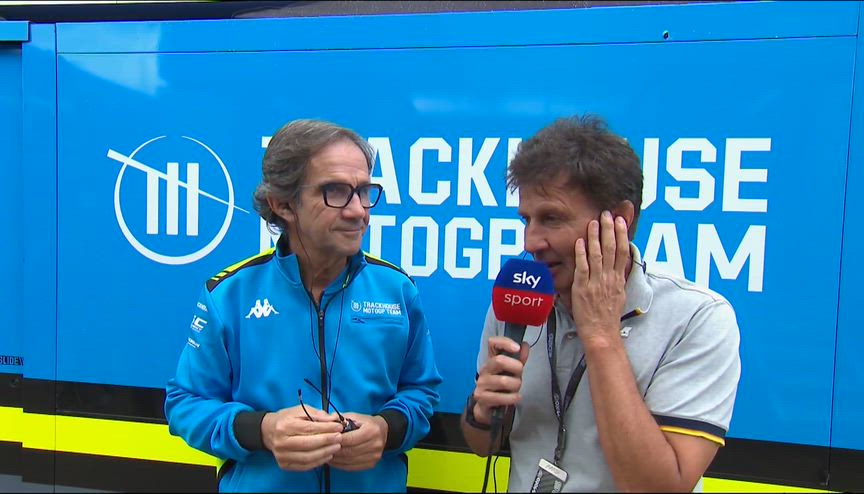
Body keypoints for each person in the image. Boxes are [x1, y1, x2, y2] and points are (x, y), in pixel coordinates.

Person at [461, 115, 741, 492]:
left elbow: (658, 488)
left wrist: (602, 336)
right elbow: (482, 444)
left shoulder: (697, 319)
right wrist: (482, 413)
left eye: (552, 218)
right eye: (526, 219)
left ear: (619, 221)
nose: (531, 242)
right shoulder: (519, 299)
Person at [165, 119, 442, 493]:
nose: (358, 211)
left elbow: (422, 393)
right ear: (282, 204)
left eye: (364, 191)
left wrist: (385, 430)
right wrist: (263, 430)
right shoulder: (229, 295)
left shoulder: (397, 290)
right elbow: (185, 404)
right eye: (335, 192)